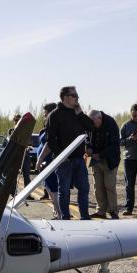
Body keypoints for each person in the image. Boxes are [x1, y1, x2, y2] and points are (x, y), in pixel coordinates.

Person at [46, 86, 93, 220]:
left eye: (77, 95)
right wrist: (62, 156)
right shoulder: (54, 115)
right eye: (74, 95)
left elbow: (90, 127)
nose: (77, 98)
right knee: (64, 191)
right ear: (65, 97)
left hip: (79, 159)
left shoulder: (77, 113)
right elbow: (50, 140)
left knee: (84, 188)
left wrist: (80, 114)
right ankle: (65, 218)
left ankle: (84, 217)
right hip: (64, 161)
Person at [86, 109, 121, 219]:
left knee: (109, 185)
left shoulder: (111, 124)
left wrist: (100, 155)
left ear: (99, 118)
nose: (91, 124)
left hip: (109, 160)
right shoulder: (91, 124)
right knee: (98, 186)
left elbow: (114, 145)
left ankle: (113, 211)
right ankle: (101, 211)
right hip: (96, 160)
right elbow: (88, 140)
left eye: (93, 122)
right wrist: (89, 149)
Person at [35, 102, 60, 217]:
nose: (44, 115)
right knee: (49, 187)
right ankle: (56, 211)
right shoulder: (47, 126)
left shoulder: (55, 126)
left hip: (50, 161)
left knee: (53, 188)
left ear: (51, 112)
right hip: (45, 163)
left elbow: (49, 144)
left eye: (45, 113)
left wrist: (40, 159)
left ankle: (59, 213)